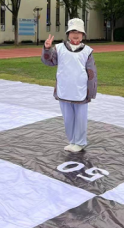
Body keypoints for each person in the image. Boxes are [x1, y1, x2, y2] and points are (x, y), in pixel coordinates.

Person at [41, 18, 97, 153]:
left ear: (83, 35)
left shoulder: (87, 51)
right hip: (64, 89)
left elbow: (91, 72)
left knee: (81, 119)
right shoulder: (59, 48)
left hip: (81, 91)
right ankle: (72, 141)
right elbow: (49, 61)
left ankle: (81, 142)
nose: (75, 34)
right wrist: (47, 49)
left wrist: (91, 91)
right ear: (68, 33)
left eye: (78, 31)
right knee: (68, 118)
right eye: (73, 31)